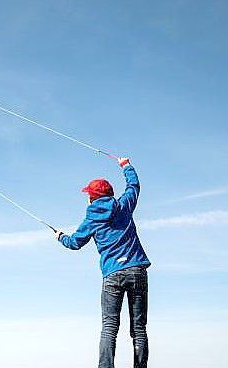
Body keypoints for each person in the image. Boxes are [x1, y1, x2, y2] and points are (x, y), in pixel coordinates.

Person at [55, 157, 150, 368]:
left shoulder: (91, 218)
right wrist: (126, 165)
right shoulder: (123, 205)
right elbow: (133, 185)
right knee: (139, 328)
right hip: (137, 269)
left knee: (109, 327)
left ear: (92, 197)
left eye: (88, 194)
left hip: (112, 275)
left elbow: (74, 243)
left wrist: (60, 236)